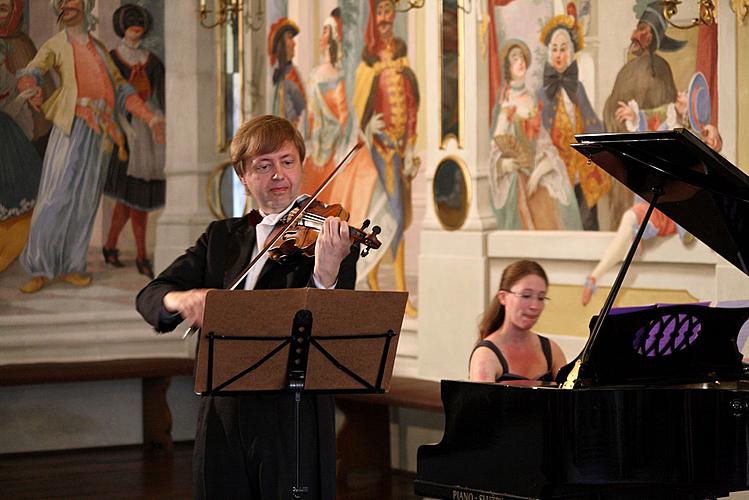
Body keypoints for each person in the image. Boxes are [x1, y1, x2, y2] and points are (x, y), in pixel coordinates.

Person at [136, 115, 358, 499]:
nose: (278, 175)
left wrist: (324, 273)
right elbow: (152, 295)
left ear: (301, 166)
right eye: (263, 165)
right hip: (223, 413)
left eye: (287, 162)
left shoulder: (329, 236)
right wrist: (183, 298)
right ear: (242, 175)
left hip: (293, 413)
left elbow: (330, 323)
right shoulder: (221, 237)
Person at [16, 0, 165, 293]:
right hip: (71, 125)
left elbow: (122, 88)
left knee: (85, 201)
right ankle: (40, 267)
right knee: (55, 197)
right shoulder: (57, 43)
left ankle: (72, 265)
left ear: (84, 8)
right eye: (63, 3)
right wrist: (29, 85)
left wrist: (150, 117)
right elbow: (34, 68)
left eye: (73, 2)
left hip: (100, 131)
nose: (67, 6)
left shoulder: (98, 48)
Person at [353, 0, 420, 316]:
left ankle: (398, 288)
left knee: (400, 216)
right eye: (380, 12)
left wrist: (411, 147)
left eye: (389, 11)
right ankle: (380, 286)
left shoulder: (403, 58)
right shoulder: (367, 65)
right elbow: (359, 111)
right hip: (378, 151)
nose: (386, 18)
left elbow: (412, 104)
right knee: (389, 214)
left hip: (400, 149)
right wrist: (369, 126)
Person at [489, 39, 581, 231]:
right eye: (515, 59)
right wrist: (505, 164)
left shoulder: (532, 99)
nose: (520, 62)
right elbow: (496, 145)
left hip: (535, 167)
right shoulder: (505, 103)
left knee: (556, 191)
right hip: (516, 173)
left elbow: (544, 143)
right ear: (508, 67)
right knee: (520, 191)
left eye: (522, 57)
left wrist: (540, 171)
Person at [102, 3, 166, 279]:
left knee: (130, 201)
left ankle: (110, 246)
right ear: (123, 28)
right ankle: (141, 256)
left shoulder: (152, 61)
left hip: (150, 135)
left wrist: (159, 123)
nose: (135, 30)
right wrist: (125, 128)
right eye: (130, 26)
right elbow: (110, 97)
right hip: (124, 136)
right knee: (132, 200)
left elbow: (162, 97)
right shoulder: (112, 59)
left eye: (139, 26)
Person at [300, 8, 379, 227]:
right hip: (316, 146)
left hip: (333, 145)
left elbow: (345, 116)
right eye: (322, 30)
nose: (321, 37)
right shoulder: (315, 74)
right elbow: (309, 116)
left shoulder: (341, 77)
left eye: (326, 31)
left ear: (334, 36)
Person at [539, 14, 608, 231]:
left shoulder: (577, 88)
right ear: (549, 53)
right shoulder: (541, 94)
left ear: (571, 53)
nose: (559, 54)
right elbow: (537, 135)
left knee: (588, 221)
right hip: (557, 171)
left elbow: (591, 121)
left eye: (563, 48)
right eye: (555, 49)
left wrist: (600, 145)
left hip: (581, 168)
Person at [469, 260, 566, 383]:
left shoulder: (552, 351)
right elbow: (481, 401)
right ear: (503, 297)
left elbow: (569, 398)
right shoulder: (485, 356)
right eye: (526, 296)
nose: (535, 306)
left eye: (541, 298)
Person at [0, 41, 42, 273]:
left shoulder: (4, 68)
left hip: (7, 139)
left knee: (17, 202)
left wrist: (22, 97)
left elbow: (8, 110)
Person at [268, 17, 306, 131]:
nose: (294, 43)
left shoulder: (293, 75)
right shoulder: (279, 77)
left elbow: (303, 109)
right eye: (290, 38)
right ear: (281, 44)